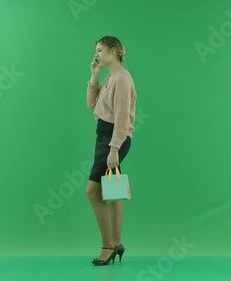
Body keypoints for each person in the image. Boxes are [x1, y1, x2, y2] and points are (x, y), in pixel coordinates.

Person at [86, 36, 137, 266]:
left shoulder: (123, 79)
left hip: (114, 138)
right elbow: (91, 103)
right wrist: (94, 75)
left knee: (92, 191)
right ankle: (116, 244)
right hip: (103, 137)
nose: (96, 54)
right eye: (95, 50)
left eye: (100, 50)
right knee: (112, 192)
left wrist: (114, 148)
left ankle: (107, 246)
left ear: (114, 51)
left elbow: (123, 117)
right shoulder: (110, 77)